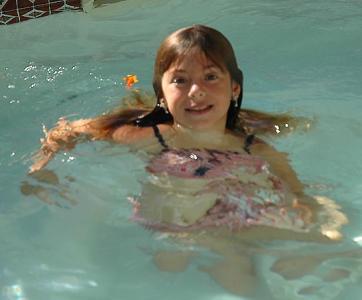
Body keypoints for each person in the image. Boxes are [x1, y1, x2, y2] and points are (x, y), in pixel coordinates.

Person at [28, 25, 351, 297]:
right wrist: (41, 167)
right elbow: (71, 130)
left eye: (211, 77)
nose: (196, 91)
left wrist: (317, 213)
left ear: (234, 87)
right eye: (180, 81)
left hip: (235, 221)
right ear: (161, 94)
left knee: (322, 250)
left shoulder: (256, 148)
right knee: (180, 266)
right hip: (173, 227)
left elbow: (298, 194)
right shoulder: (152, 136)